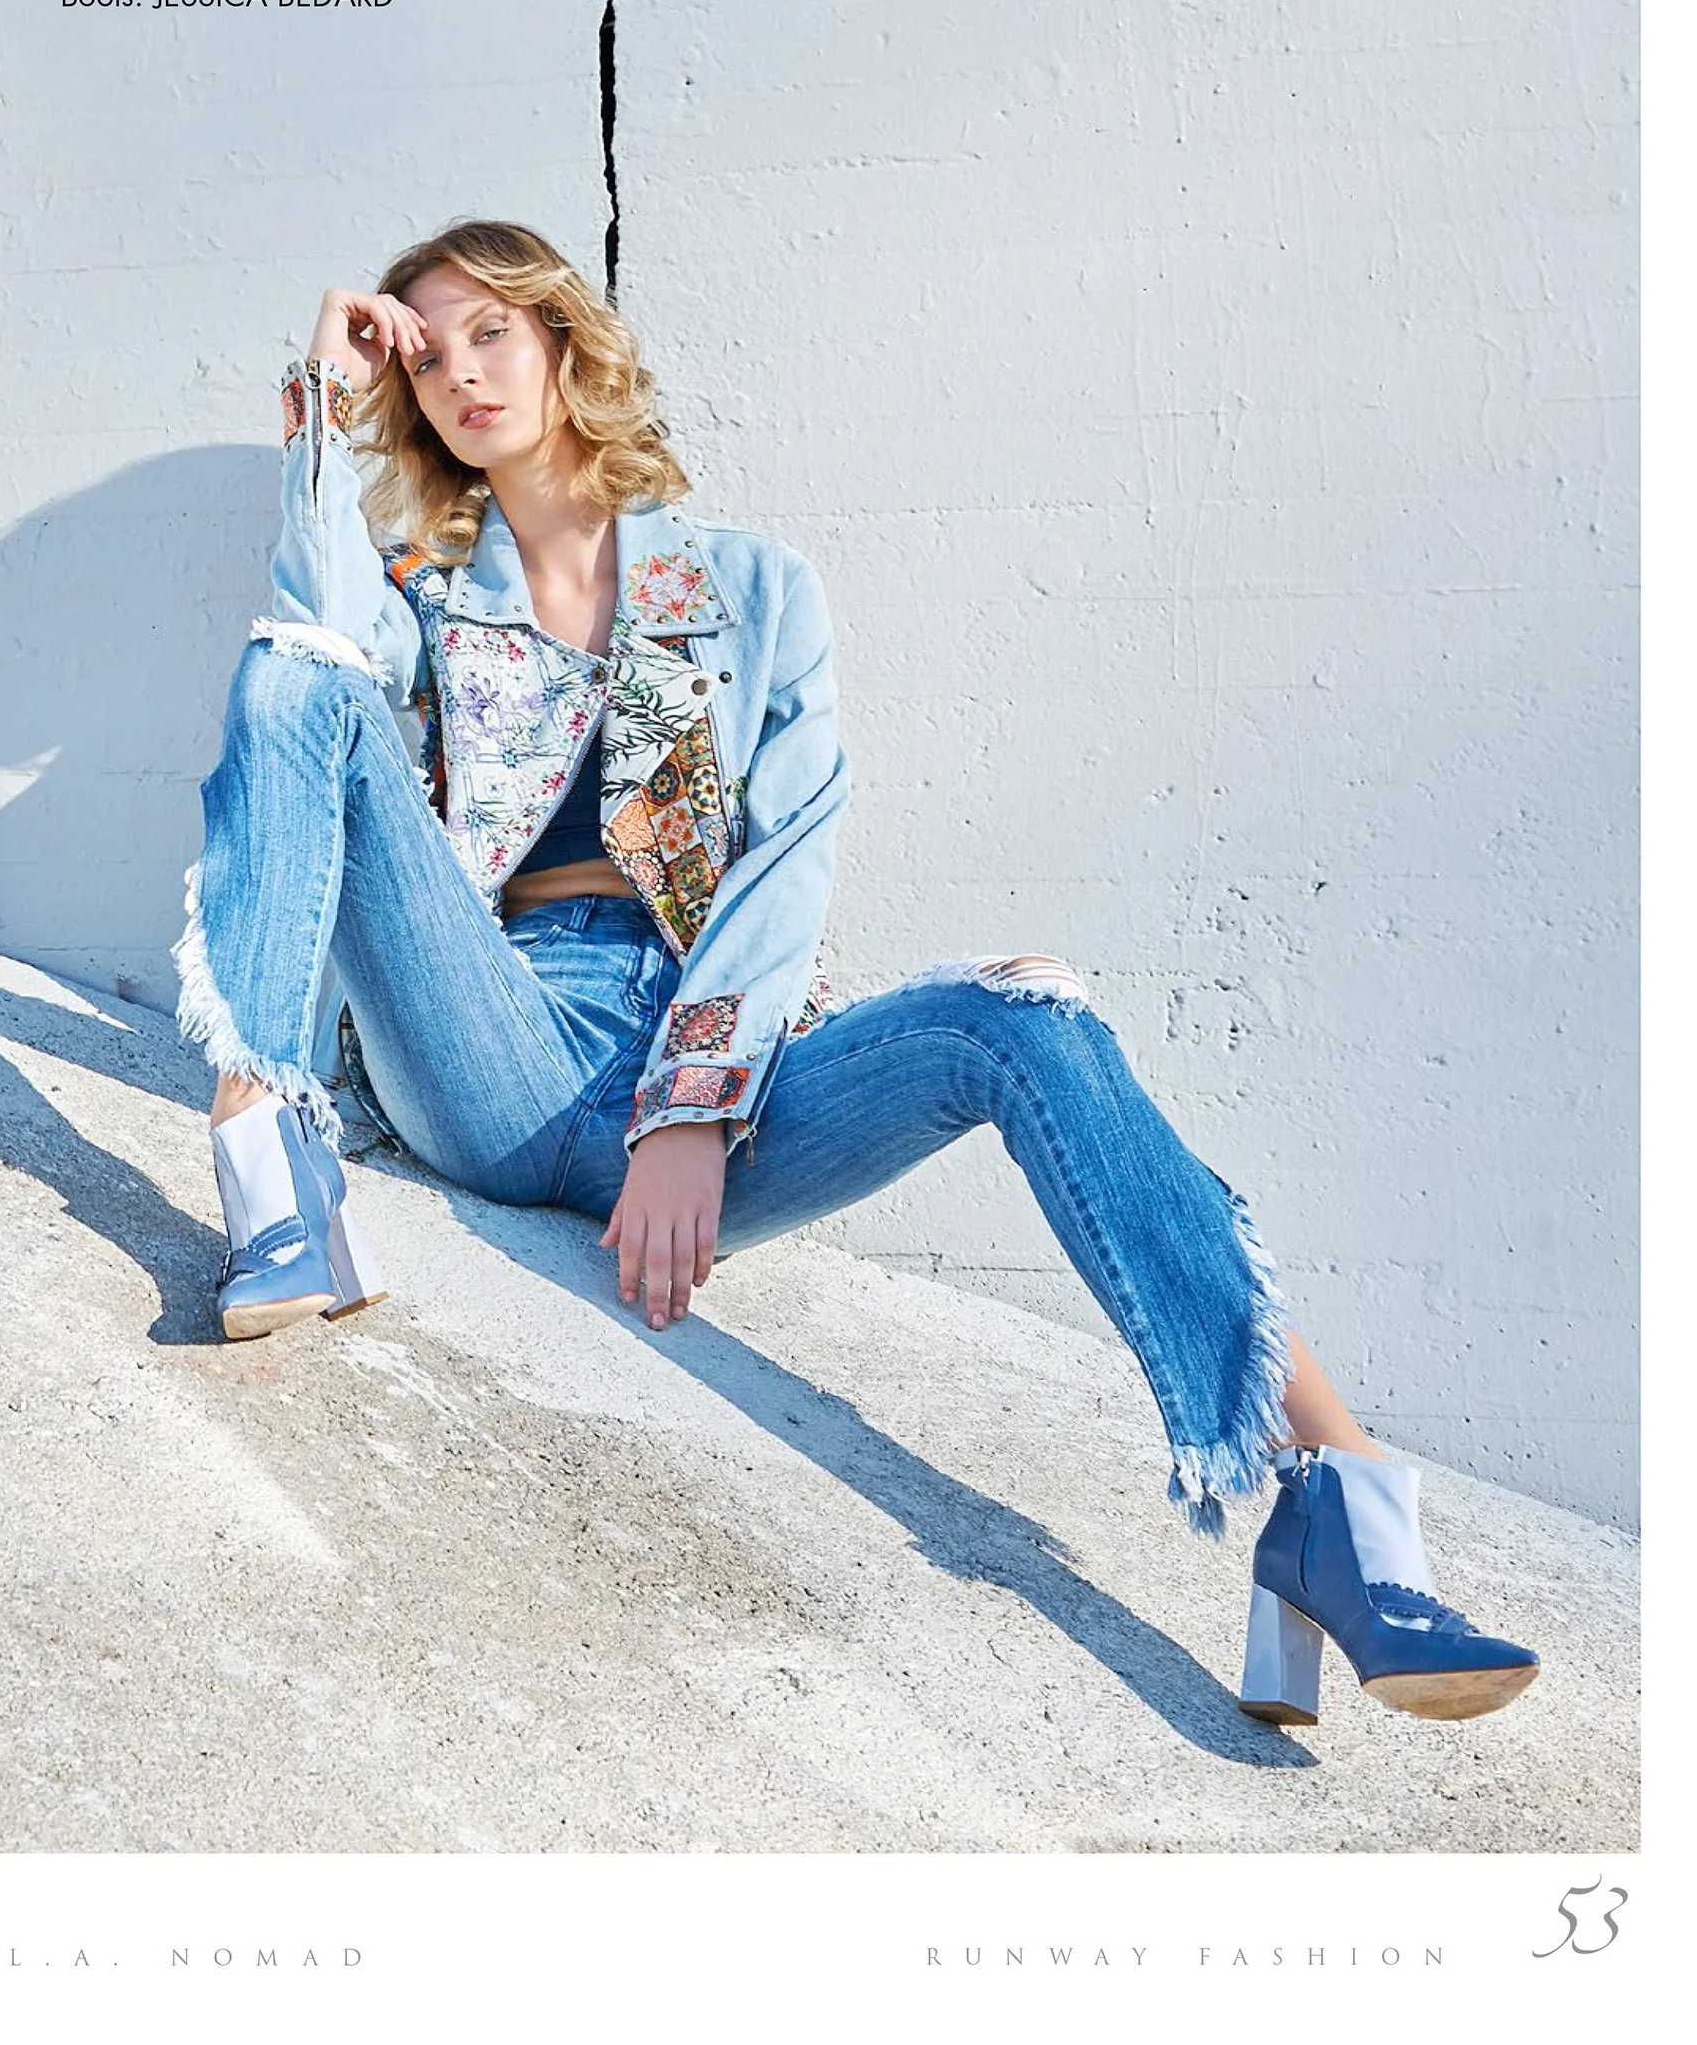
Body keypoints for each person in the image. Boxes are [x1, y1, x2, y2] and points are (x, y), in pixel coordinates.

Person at [174, 217, 1539, 1734]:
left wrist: (692, 1107)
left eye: (492, 330)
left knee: (1023, 1014)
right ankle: (268, 1175)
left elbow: (786, 861)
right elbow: (313, 640)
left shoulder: (752, 591)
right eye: (427, 356)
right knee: (294, 668)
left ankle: (1331, 1501)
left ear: (563, 340)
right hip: (490, 1035)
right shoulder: (423, 594)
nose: (462, 374)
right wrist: (327, 393)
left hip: (710, 1053)